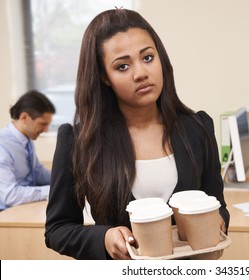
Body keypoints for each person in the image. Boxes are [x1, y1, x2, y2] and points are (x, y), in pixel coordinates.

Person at [45, 9, 229, 260]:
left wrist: (216, 222)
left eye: (148, 58)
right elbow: (58, 230)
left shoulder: (198, 128)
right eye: (122, 66)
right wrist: (104, 237)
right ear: (104, 77)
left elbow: (218, 206)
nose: (140, 73)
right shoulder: (78, 142)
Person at [0, 90, 55, 210]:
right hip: (6, 213)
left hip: (24, 207)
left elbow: (38, 173)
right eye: (42, 124)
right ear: (24, 117)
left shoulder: (26, 140)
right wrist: (51, 190)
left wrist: (67, 181)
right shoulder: (2, 146)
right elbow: (10, 195)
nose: (46, 130)